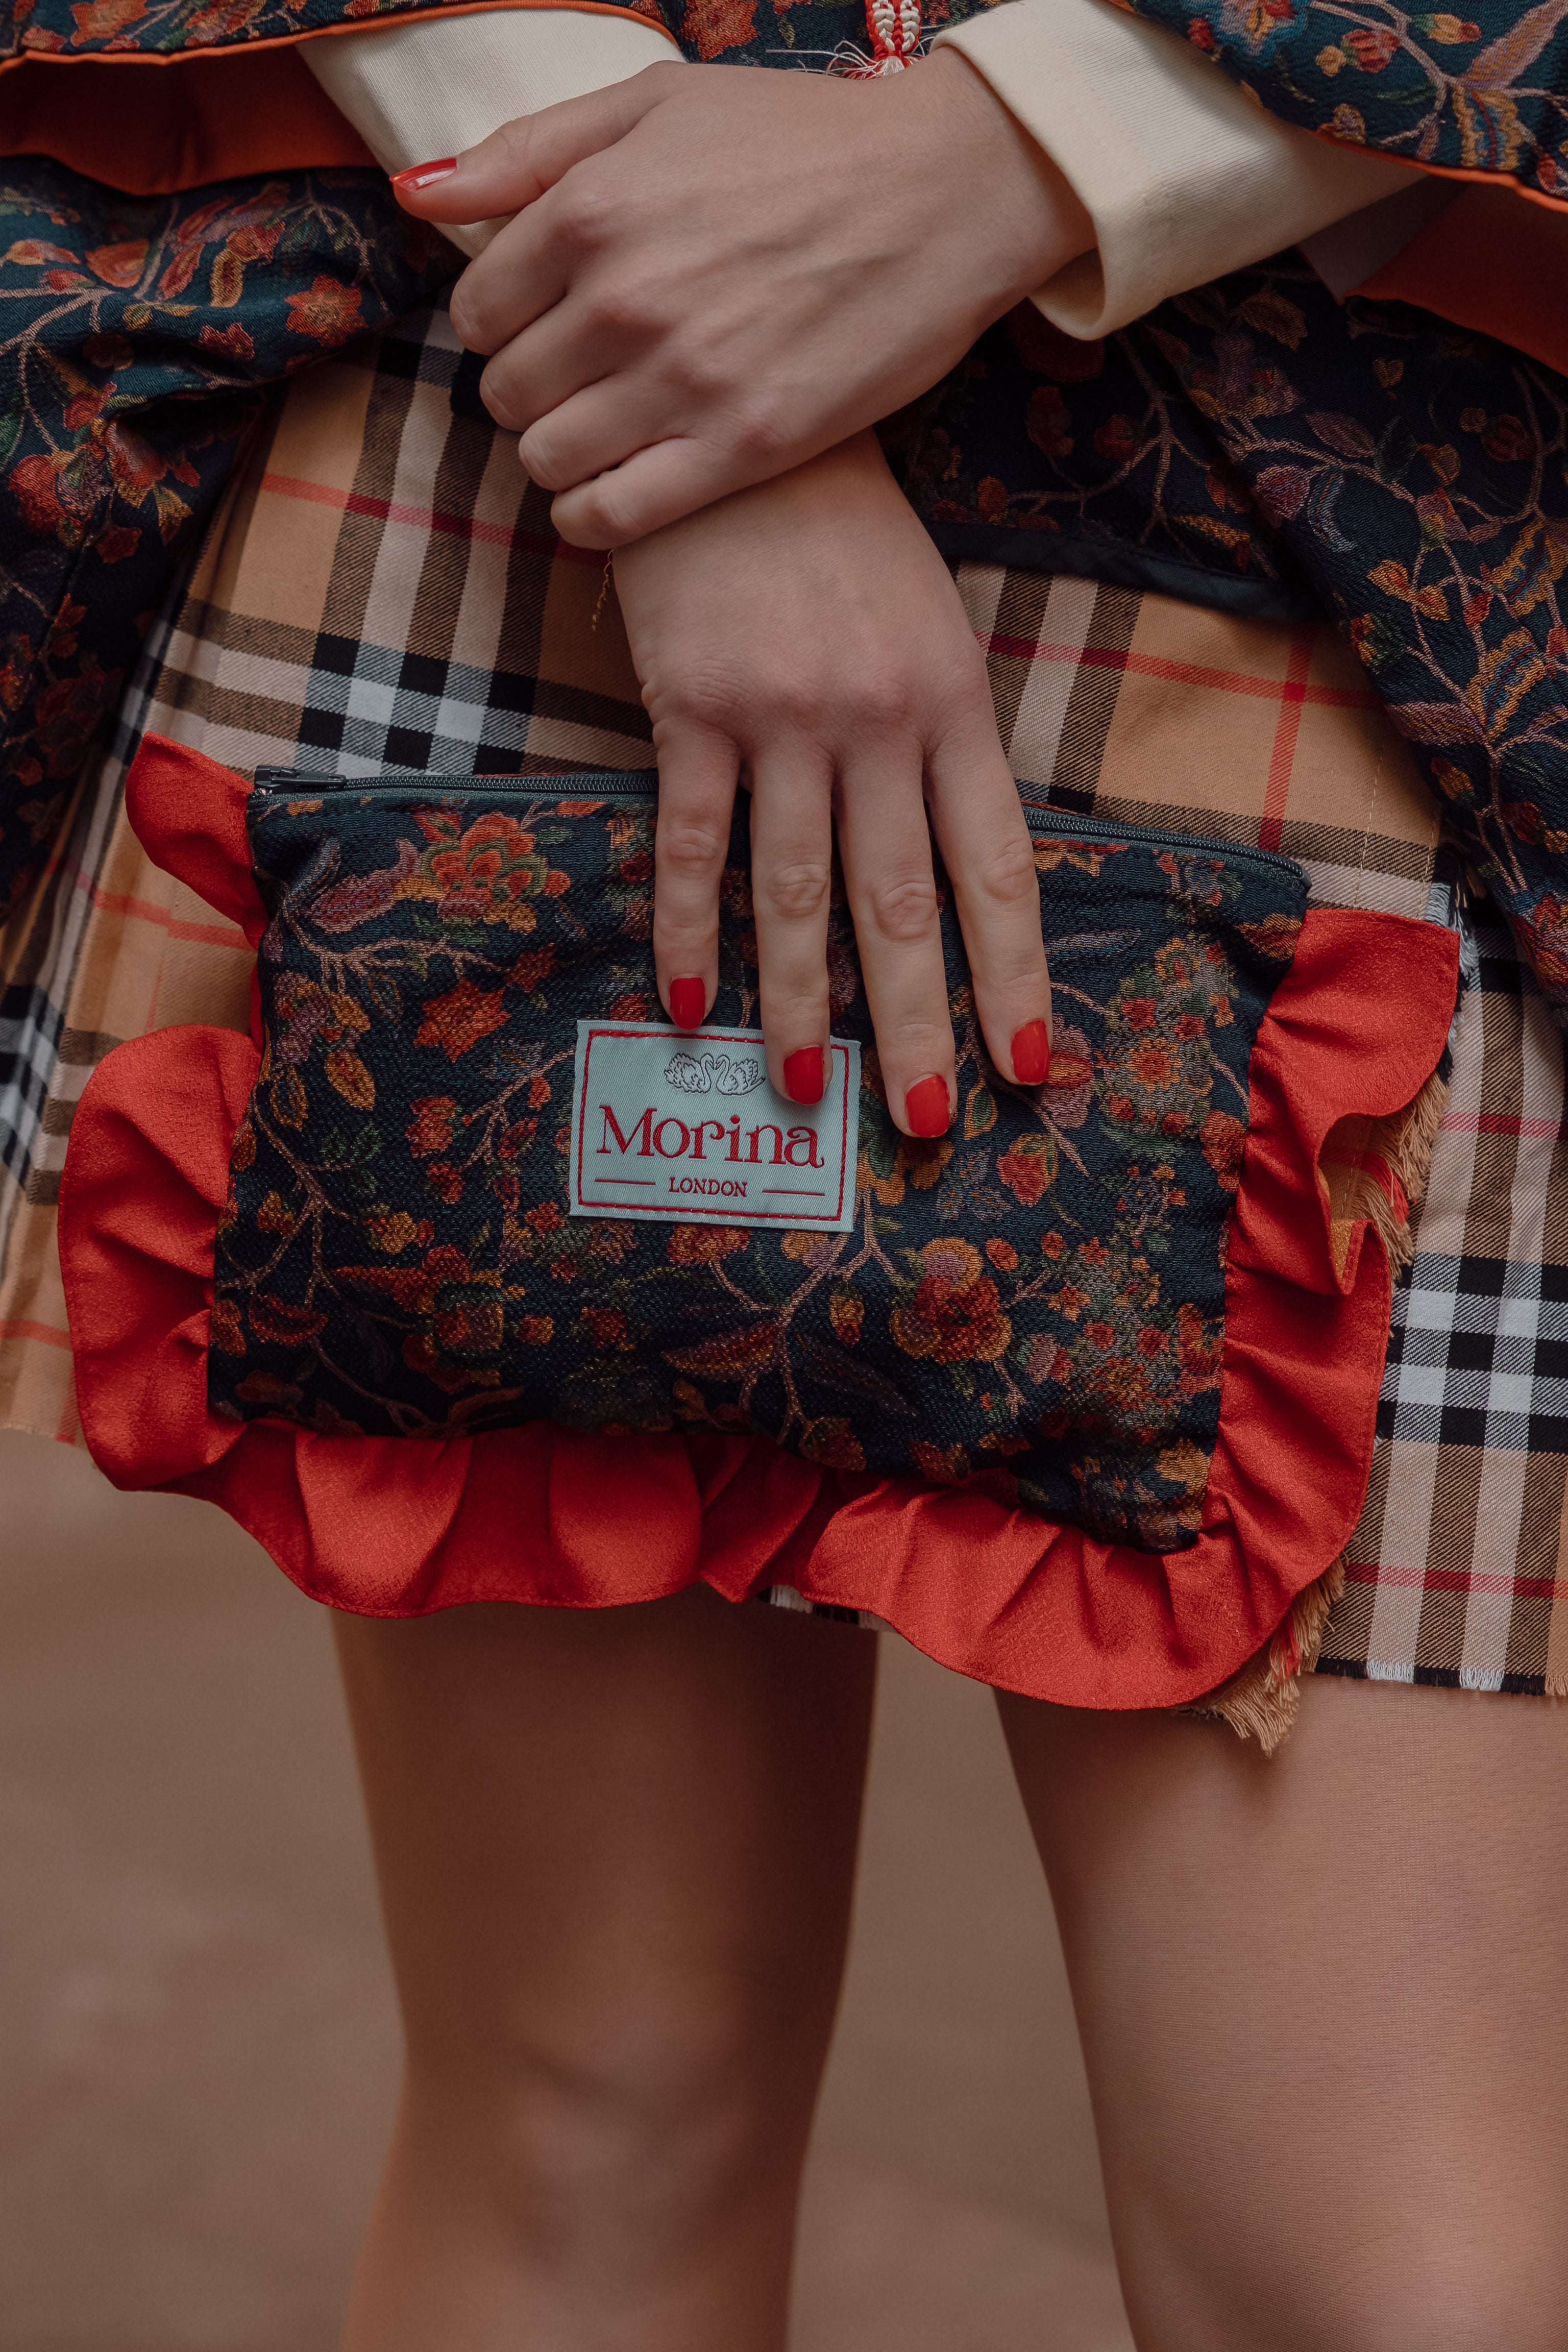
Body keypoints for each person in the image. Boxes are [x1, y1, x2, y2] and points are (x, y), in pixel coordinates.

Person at [5, 1, 1568, 2343]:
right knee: (595, 2111)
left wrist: (1034, 149)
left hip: (1366, 497)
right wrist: (681, 380)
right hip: (540, 404)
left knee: (1382, 2275)